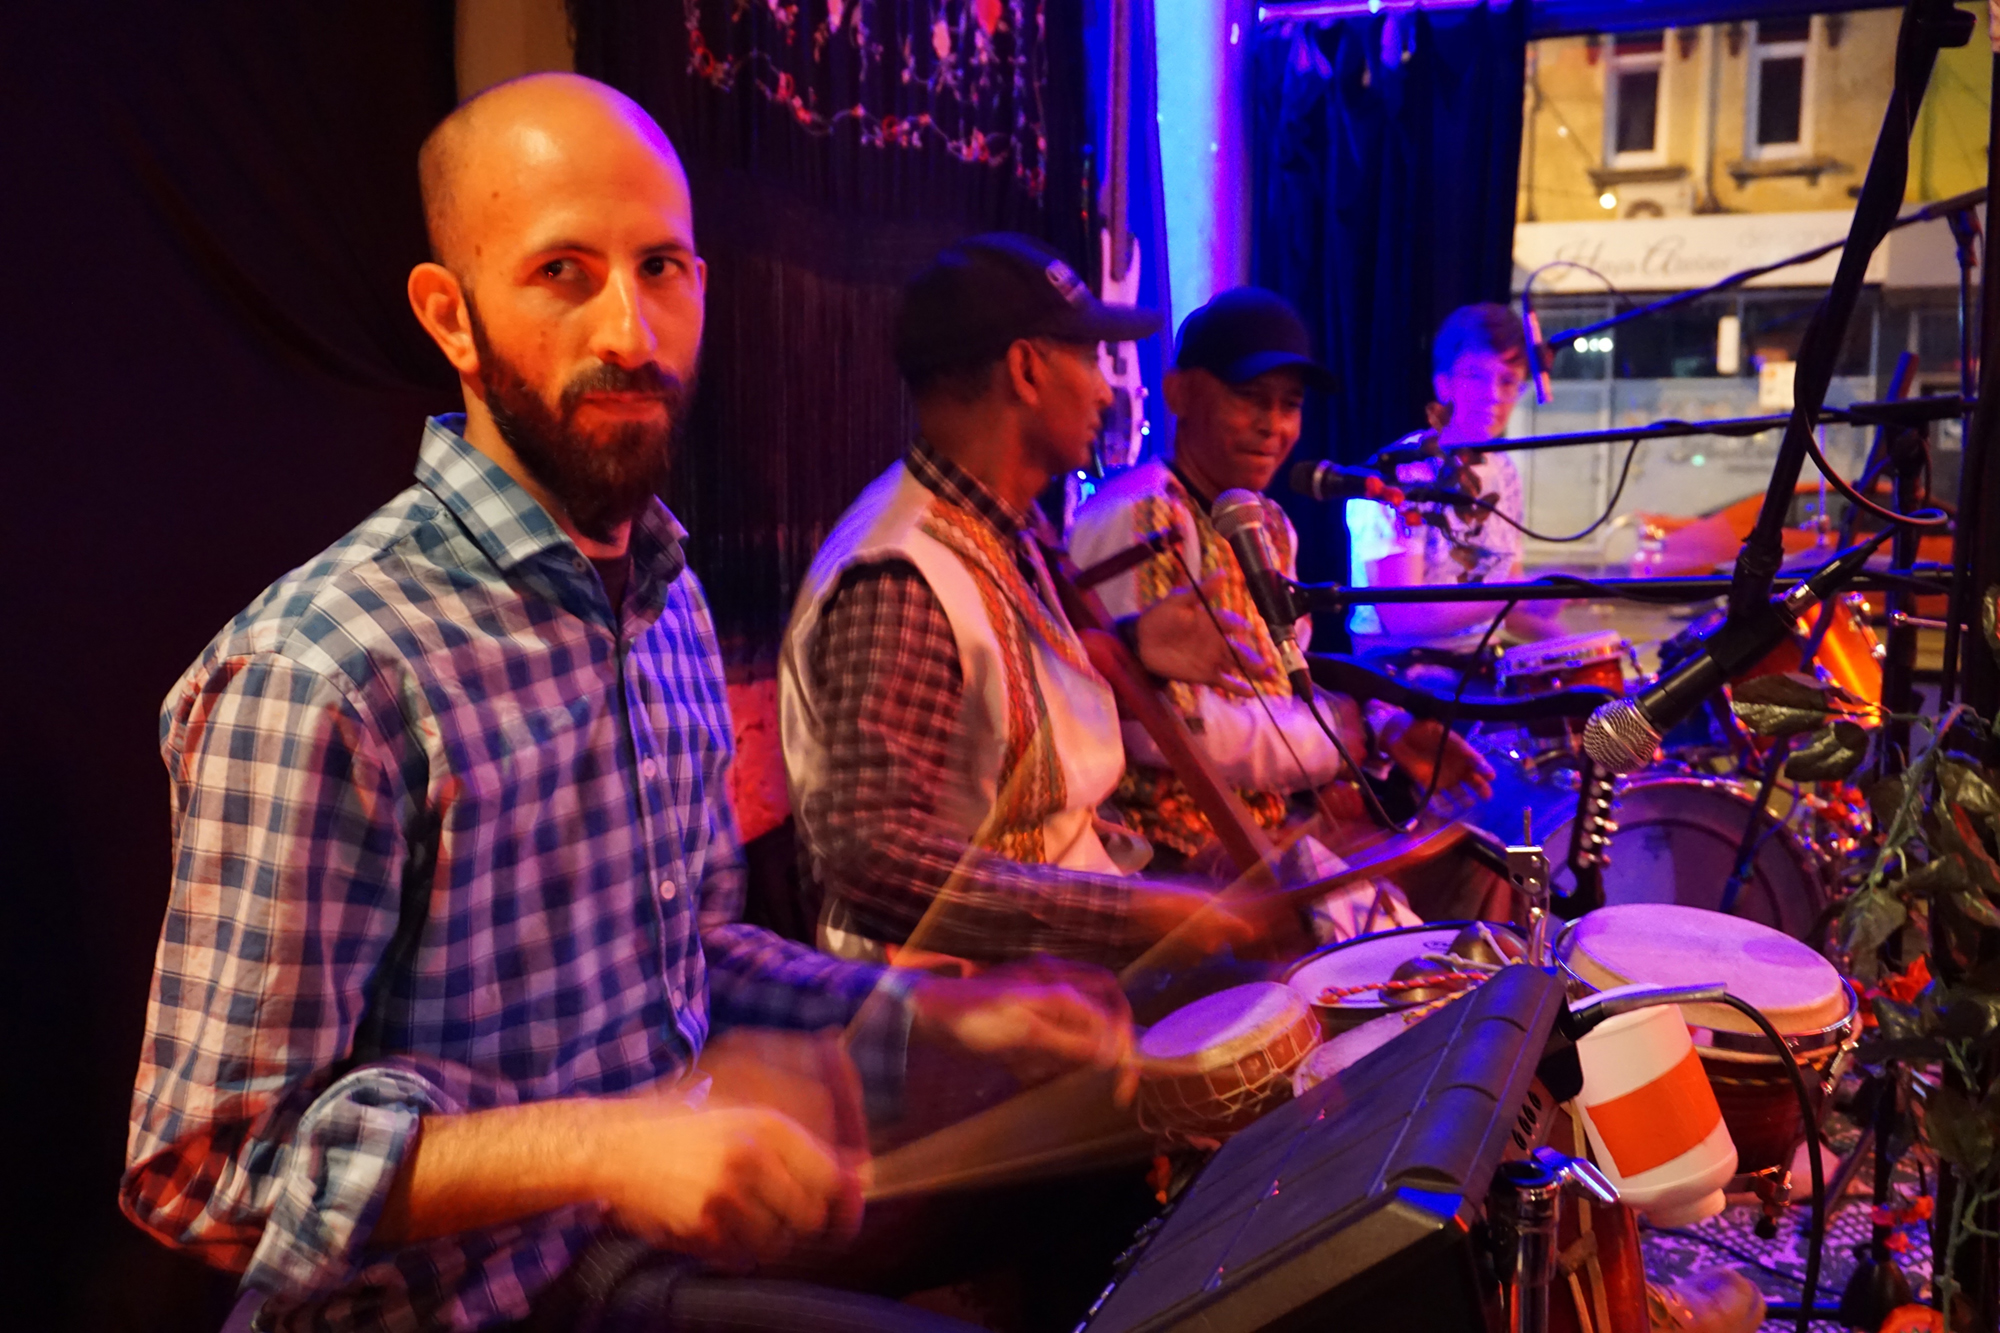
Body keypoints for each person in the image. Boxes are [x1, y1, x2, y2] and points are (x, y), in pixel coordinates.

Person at [121, 75, 1135, 1333]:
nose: (633, 331)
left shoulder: (662, 597)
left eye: (661, 267)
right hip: (440, 1309)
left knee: (1115, 1185)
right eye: (562, 272)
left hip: (620, 1263)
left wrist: (931, 1012)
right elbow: (208, 1170)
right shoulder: (328, 664)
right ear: (450, 314)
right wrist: (612, 1144)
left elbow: (691, 951)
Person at [780, 234, 1275, 967]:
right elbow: (874, 859)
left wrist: (1136, 645)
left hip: (1054, 968)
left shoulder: (1005, 528)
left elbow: (999, 686)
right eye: (1089, 359)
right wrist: (1133, 913)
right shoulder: (900, 576)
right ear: (1027, 369)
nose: (1106, 390)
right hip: (964, 1014)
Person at [1069, 287, 1500, 930]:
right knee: (1391, 949)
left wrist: (1386, 730)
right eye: (1251, 399)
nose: (1274, 426)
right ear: (1181, 394)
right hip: (1174, 856)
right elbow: (1158, 726)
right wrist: (1337, 744)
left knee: (1483, 868)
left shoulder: (1264, 523)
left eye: (1290, 405)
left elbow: (1283, 677)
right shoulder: (1143, 513)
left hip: (1266, 828)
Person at [1346, 302, 1565, 654]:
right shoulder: (1401, 472)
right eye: (1477, 376)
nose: (1494, 395)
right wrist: (1520, 594)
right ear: (1442, 382)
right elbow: (1401, 618)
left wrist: (1585, 647)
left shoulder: (1503, 471)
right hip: (1397, 676)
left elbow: (1507, 606)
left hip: (1477, 664)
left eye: (1508, 381)